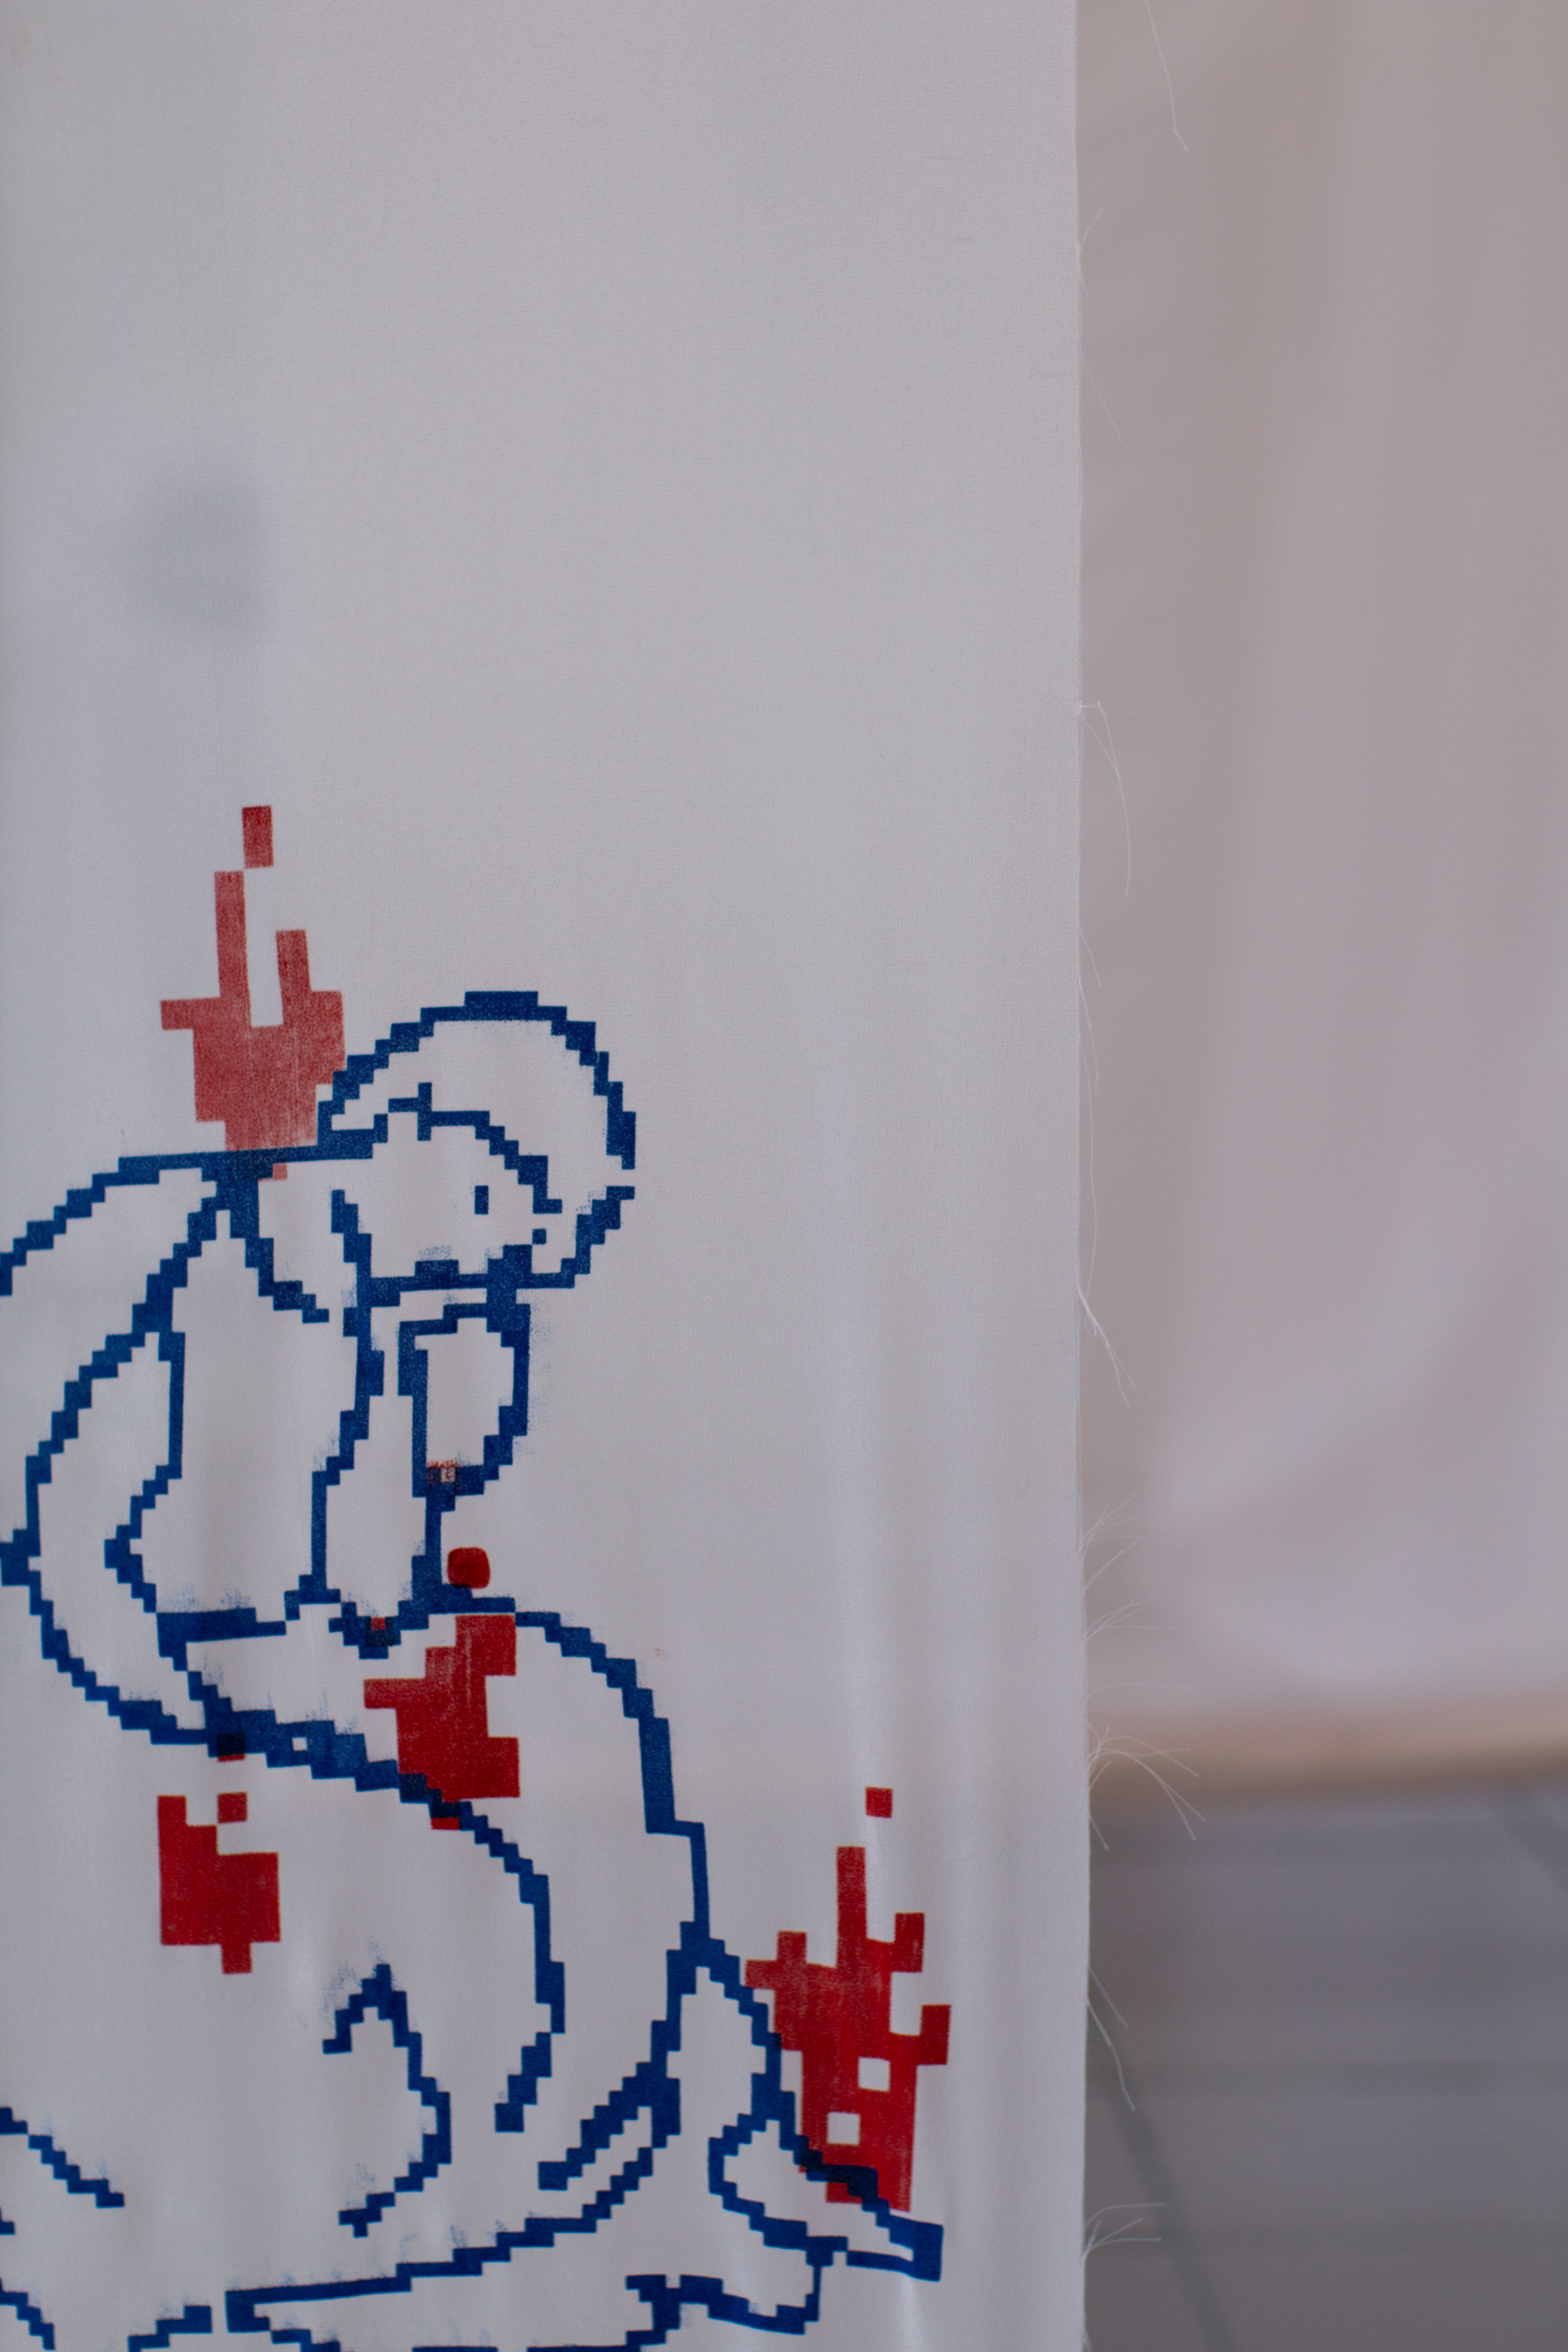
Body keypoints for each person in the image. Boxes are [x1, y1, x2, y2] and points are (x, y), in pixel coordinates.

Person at [0, 838, 940, 2352]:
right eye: (498, 1210)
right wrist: (237, 1695)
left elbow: (380, 1581)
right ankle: (464, 2168)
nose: (492, 1266)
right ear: (413, 1123)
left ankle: (617, 2141)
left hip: (273, 1675)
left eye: (522, 1253)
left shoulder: (394, 1328)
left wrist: (379, 1602)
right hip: (115, 1693)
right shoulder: (186, 1256)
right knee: (448, 1871)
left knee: (590, 1733)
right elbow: (75, 1557)